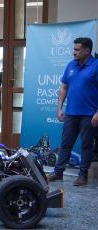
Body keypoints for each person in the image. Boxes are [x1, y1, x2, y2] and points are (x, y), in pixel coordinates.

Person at [47, 37, 98, 186]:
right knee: (65, 144)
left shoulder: (96, 66)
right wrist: (59, 108)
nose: (74, 52)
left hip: (89, 114)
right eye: (74, 49)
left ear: (87, 51)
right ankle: (58, 172)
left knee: (87, 146)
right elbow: (64, 87)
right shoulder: (71, 65)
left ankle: (83, 176)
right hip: (70, 113)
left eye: (77, 50)